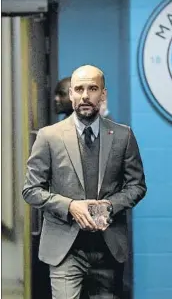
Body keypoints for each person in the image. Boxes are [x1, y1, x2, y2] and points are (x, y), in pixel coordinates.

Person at [22, 64, 147, 299]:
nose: (85, 96)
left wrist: (110, 205)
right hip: (64, 249)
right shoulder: (49, 136)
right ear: (71, 94)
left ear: (103, 94)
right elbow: (31, 190)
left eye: (93, 89)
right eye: (79, 89)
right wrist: (69, 206)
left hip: (108, 249)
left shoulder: (123, 136)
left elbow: (137, 186)